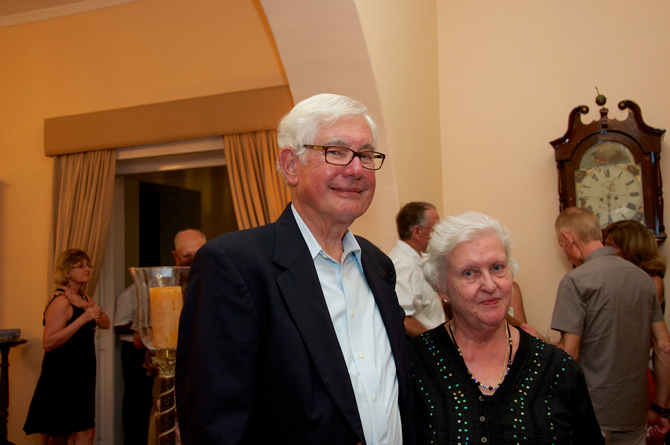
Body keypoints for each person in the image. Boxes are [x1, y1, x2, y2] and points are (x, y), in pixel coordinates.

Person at [176, 94, 415, 444]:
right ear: (290, 166)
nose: (356, 169)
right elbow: (214, 425)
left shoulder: (378, 266)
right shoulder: (234, 266)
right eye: (335, 151)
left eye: (366, 154)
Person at [408, 211, 604, 444]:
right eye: (469, 273)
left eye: (497, 267)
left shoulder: (557, 368)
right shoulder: (413, 363)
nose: (490, 285)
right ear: (441, 288)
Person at [551, 207, 670, 444]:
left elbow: (570, 352)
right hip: (634, 415)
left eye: (561, 245)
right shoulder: (645, 280)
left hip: (592, 413)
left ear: (569, 238)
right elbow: (664, 346)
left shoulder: (575, 280)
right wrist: (661, 407)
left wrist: (538, 349)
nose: (564, 253)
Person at [115, 229, 206, 445]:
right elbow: (139, 339)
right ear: (175, 256)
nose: (193, 261)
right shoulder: (163, 288)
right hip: (169, 375)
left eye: (199, 253)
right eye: (187, 256)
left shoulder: (215, 280)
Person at [24, 249, 111, 445]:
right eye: (80, 266)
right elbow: (49, 342)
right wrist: (83, 319)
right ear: (66, 271)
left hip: (82, 373)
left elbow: (105, 322)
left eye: (88, 265)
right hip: (63, 374)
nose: (87, 269)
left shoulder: (82, 295)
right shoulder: (61, 301)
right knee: (61, 434)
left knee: (85, 429)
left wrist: (86, 306)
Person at [389, 201, 445, 336]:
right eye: (436, 229)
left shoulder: (415, 260)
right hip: (426, 350)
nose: (440, 234)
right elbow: (403, 319)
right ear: (417, 232)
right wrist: (434, 345)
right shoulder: (404, 265)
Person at [603, 220, 666, 310]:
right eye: (605, 244)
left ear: (631, 249)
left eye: (610, 246)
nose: (605, 250)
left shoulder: (653, 282)